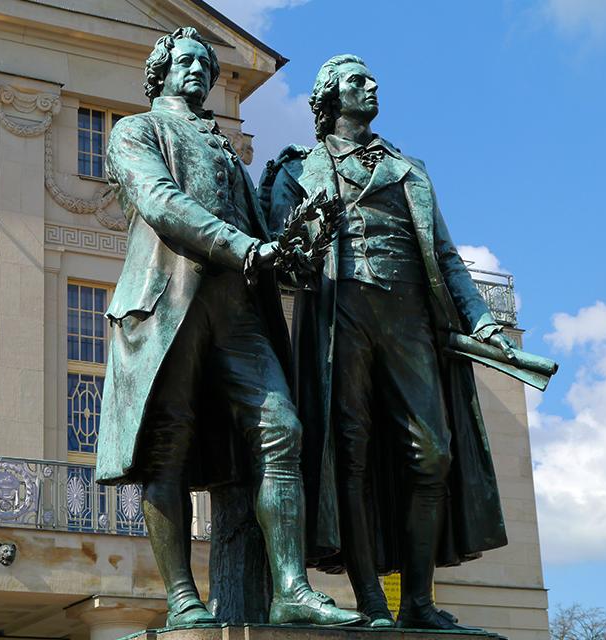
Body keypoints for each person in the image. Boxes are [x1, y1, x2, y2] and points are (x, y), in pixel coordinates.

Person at [94, 29, 361, 628]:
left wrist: (297, 238)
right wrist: (246, 246)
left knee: (281, 429)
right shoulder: (135, 130)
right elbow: (161, 202)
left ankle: (291, 587)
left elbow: (263, 228)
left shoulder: (226, 150)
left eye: (206, 65)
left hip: (238, 307)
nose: (197, 71)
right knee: (169, 452)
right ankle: (183, 596)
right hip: (167, 303)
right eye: (185, 61)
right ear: (161, 70)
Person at [260, 54, 513, 630]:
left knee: (433, 456)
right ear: (329, 98)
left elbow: (446, 258)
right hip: (340, 316)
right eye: (357, 81)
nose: (371, 87)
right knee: (349, 457)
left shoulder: (410, 170)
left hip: (410, 321)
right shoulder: (297, 170)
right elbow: (283, 260)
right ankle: (373, 600)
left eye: (371, 80)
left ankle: (417, 601)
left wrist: (483, 320)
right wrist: (306, 233)